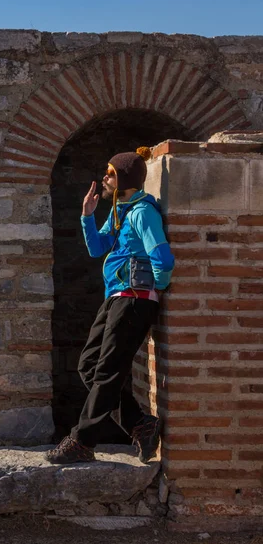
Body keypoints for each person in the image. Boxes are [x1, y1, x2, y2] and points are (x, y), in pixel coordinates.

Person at [46, 147, 174, 465]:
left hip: (133, 300)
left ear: (125, 179)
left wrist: (151, 289)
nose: (105, 177)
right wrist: (88, 215)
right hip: (115, 298)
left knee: (107, 372)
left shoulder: (143, 213)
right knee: (89, 367)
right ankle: (140, 424)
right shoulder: (122, 210)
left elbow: (163, 258)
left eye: (111, 174)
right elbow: (97, 248)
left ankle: (82, 441)